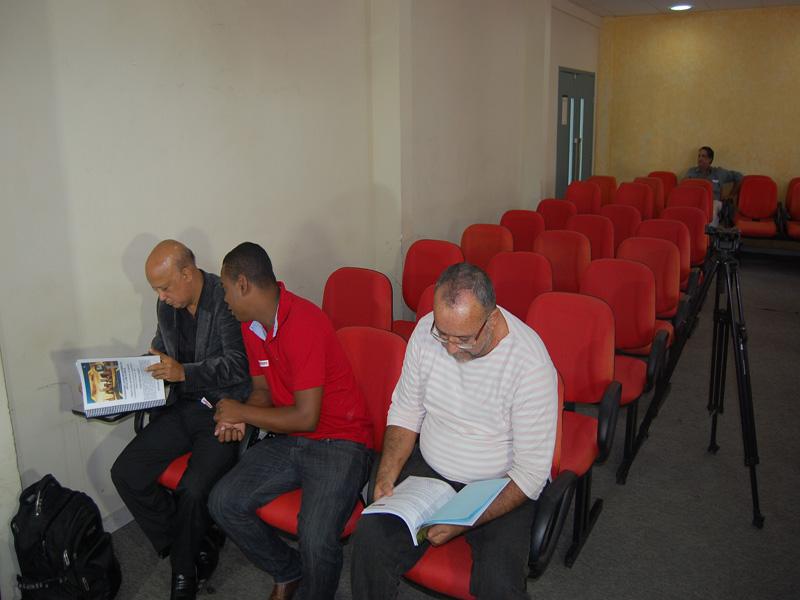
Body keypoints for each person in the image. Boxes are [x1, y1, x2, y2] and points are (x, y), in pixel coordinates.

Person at [350, 262, 558, 600]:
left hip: (499, 482)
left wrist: (465, 522)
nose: (449, 348)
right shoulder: (425, 332)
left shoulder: (530, 365)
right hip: (432, 469)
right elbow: (406, 409)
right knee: (370, 541)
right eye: (442, 333)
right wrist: (386, 475)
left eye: (462, 339)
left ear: (492, 320)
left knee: (498, 584)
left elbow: (531, 475)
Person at [208, 242, 373, 600]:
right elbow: (261, 391)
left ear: (242, 284)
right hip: (292, 437)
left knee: (315, 536)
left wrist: (241, 411)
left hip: (341, 441)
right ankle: (287, 569)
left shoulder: (304, 323)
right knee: (223, 502)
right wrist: (241, 417)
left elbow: (306, 417)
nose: (224, 299)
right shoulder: (251, 326)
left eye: (225, 289)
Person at [110, 240, 251, 600]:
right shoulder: (167, 306)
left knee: (192, 489)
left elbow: (238, 366)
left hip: (222, 408)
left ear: (187, 273)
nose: (161, 296)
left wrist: (184, 372)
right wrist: (129, 376)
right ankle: (191, 542)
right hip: (181, 406)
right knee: (126, 472)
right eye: (156, 289)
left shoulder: (224, 298)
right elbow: (161, 352)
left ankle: (183, 570)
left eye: (165, 287)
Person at [684, 146, 743, 225]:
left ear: (710, 159)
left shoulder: (719, 172)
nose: (700, 159)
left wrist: (732, 195)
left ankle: (709, 231)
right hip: (696, 202)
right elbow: (683, 187)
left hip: (713, 202)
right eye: (699, 156)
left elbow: (739, 177)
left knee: (713, 209)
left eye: (703, 156)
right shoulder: (691, 172)